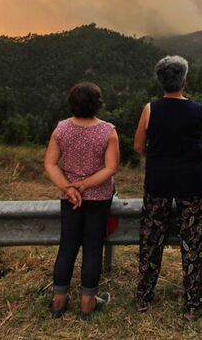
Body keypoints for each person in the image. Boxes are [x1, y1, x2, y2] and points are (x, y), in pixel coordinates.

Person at [133, 55, 202, 319]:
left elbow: (137, 146)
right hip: (191, 181)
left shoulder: (150, 109)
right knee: (192, 243)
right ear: (184, 81)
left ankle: (143, 297)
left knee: (151, 240)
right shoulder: (196, 108)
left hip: (158, 181)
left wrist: (156, 159)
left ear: (160, 82)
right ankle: (192, 303)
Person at [44, 81, 119, 321]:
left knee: (67, 245)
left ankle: (59, 301)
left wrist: (69, 188)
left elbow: (50, 163)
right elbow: (111, 167)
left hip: (69, 198)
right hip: (99, 197)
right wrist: (85, 185)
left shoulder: (61, 129)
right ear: (98, 104)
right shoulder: (108, 131)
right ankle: (88, 304)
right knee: (93, 247)